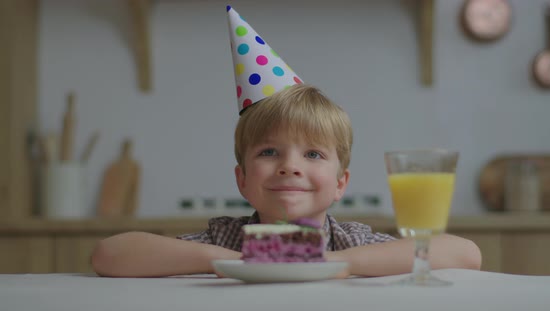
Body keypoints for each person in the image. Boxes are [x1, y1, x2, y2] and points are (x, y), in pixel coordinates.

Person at [91, 6, 481, 278]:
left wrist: (327, 260)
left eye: (312, 153)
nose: (290, 165)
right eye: (268, 152)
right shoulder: (225, 238)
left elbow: (466, 254)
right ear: (242, 179)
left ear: (341, 183)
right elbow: (108, 254)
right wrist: (235, 258)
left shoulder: (350, 241)